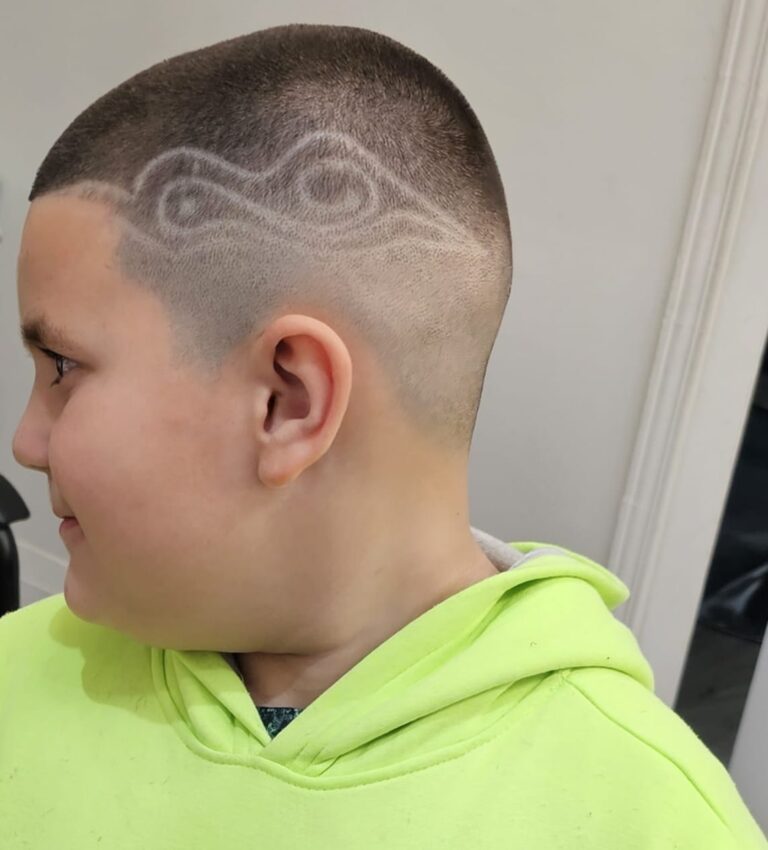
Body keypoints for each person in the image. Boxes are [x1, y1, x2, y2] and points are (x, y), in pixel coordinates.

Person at [2, 23, 766, 849]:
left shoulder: (652, 822)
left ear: (288, 400)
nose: (25, 442)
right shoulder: (20, 673)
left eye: (62, 366)